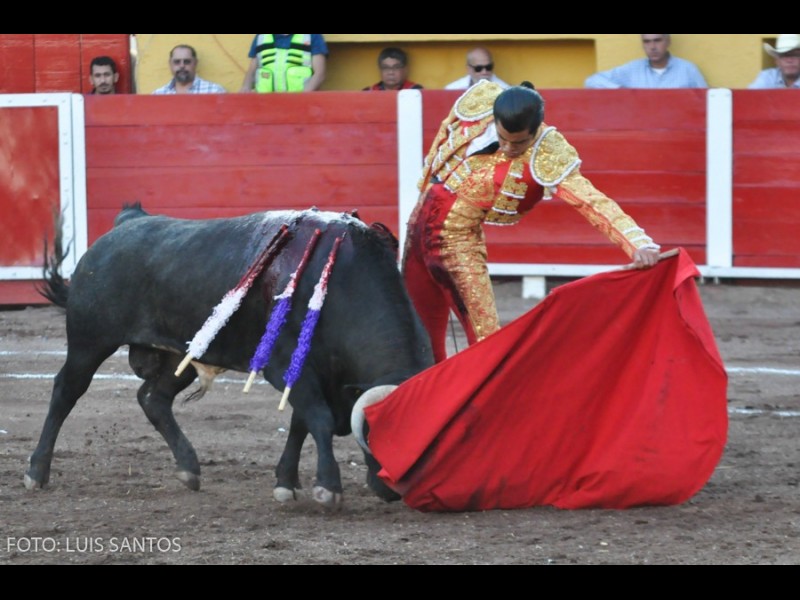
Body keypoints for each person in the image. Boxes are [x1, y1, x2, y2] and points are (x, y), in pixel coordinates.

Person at [402, 80, 661, 363]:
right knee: (415, 328)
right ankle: (423, 390)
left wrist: (637, 243)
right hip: (416, 232)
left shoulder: (547, 151)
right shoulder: (478, 105)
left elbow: (592, 202)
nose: (508, 148)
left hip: (457, 244)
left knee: (486, 340)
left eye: (519, 143)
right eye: (503, 139)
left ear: (535, 130)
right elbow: (444, 135)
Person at [584, 34, 707, 89]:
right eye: (647, 42)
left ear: (668, 42)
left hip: (678, 128)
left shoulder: (688, 70)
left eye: (657, 40)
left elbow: (705, 101)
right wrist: (620, 90)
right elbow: (592, 81)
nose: (652, 47)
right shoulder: (632, 69)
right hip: (641, 127)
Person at [239, 34, 328, 93]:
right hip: (265, 105)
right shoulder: (261, 37)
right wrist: (245, 88)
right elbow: (252, 70)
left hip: (300, 105)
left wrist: (302, 98)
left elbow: (319, 74)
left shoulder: (312, 36)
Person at [152, 45, 226, 94]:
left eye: (187, 61)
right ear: (170, 64)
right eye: (177, 62)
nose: (182, 66)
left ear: (195, 63)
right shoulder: (159, 94)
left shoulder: (214, 91)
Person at [445, 47, 510, 90]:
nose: (484, 72)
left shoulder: (504, 90)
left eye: (488, 67)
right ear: (469, 69)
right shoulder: (453, 89)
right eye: (478, 68)